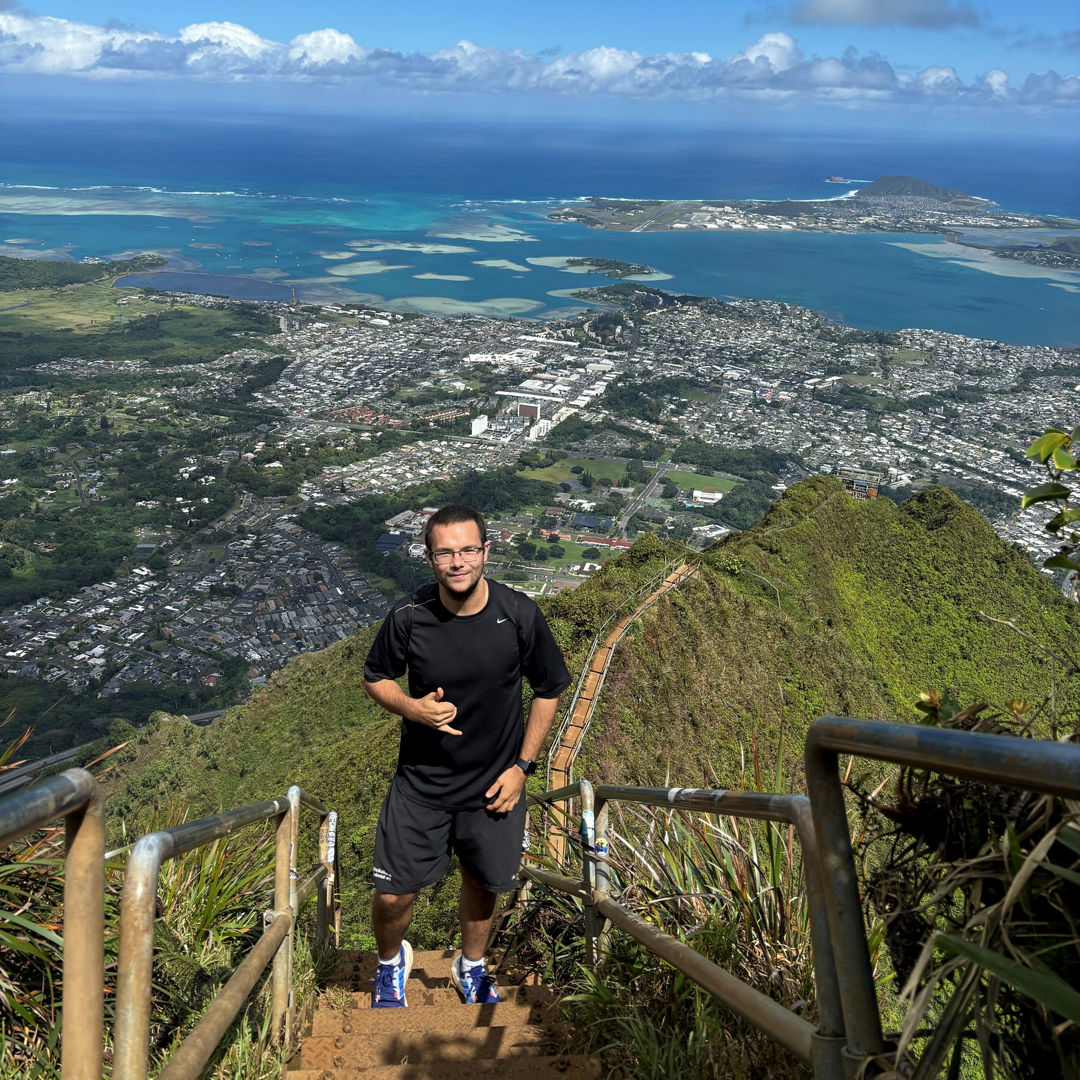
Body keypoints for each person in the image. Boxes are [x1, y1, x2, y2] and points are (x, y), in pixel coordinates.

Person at [362, 504, 570, 1007]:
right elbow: (376, 677)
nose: (458, 562)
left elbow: (549, 688)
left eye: (468, 550)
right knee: (392, 894)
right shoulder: (409, 617)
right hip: (420, 786)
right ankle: (391, 964)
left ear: (485, 551)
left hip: (494, 785)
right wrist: (412, 708)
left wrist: (522, 769)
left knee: (485, 882)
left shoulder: (518, 613)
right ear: (430, 557)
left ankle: (470, 966)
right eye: (445, 552)